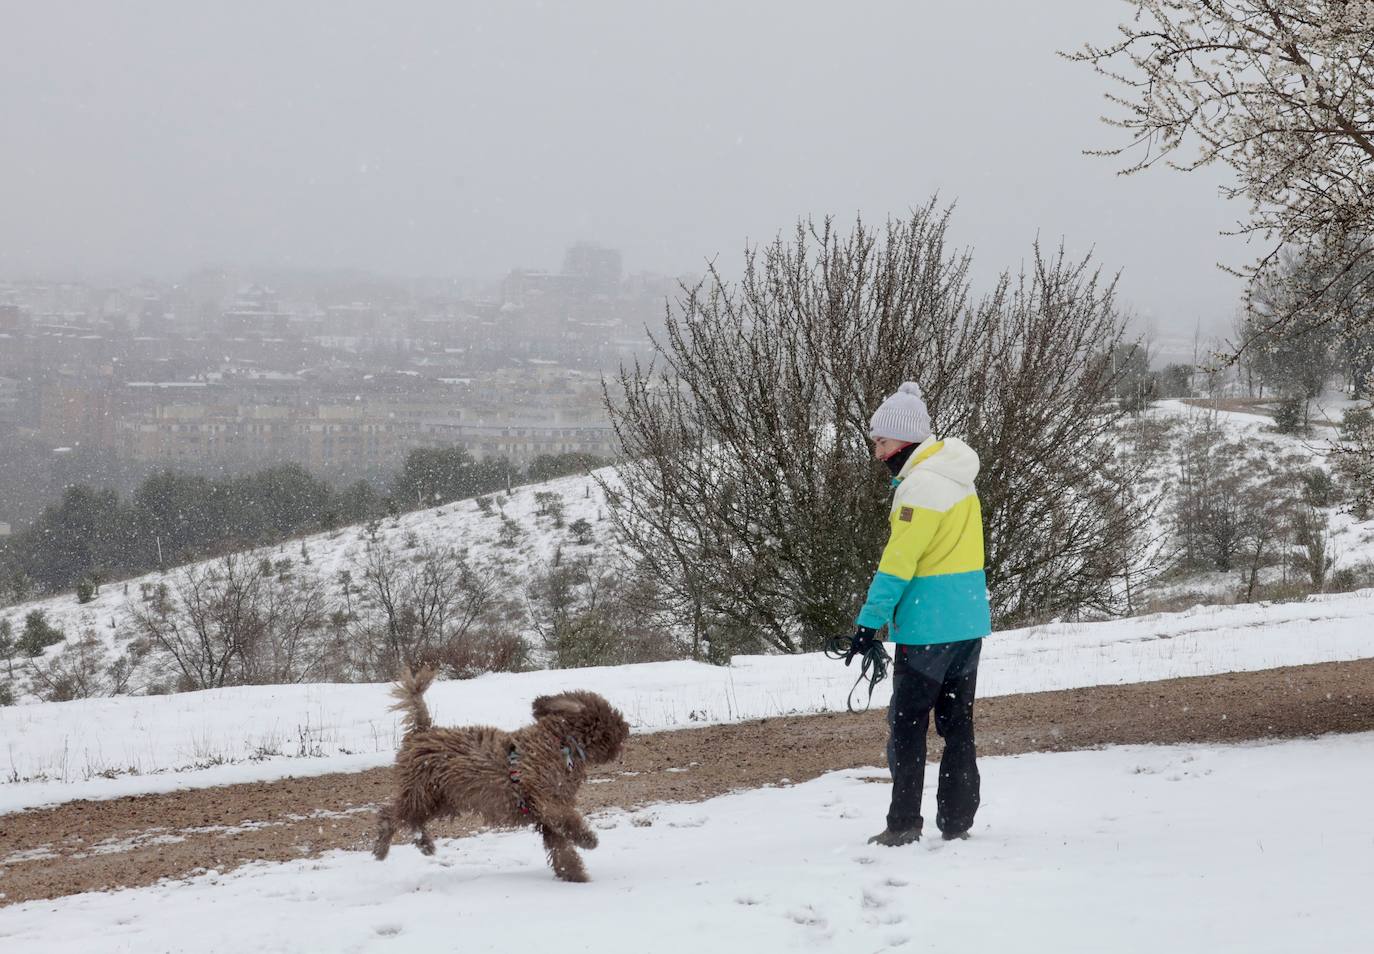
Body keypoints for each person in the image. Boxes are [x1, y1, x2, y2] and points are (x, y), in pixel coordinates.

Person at [845, 381, 992, 846]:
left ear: (905, 441)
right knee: (958, 728)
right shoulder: (956, 478)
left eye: (882, 443)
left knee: (907, 729)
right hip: (967, 622)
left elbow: (898, 564)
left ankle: (904, 824)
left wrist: (868, 624)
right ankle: (957, 821)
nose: (877, 454)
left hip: (929, 628)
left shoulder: (920, 488)